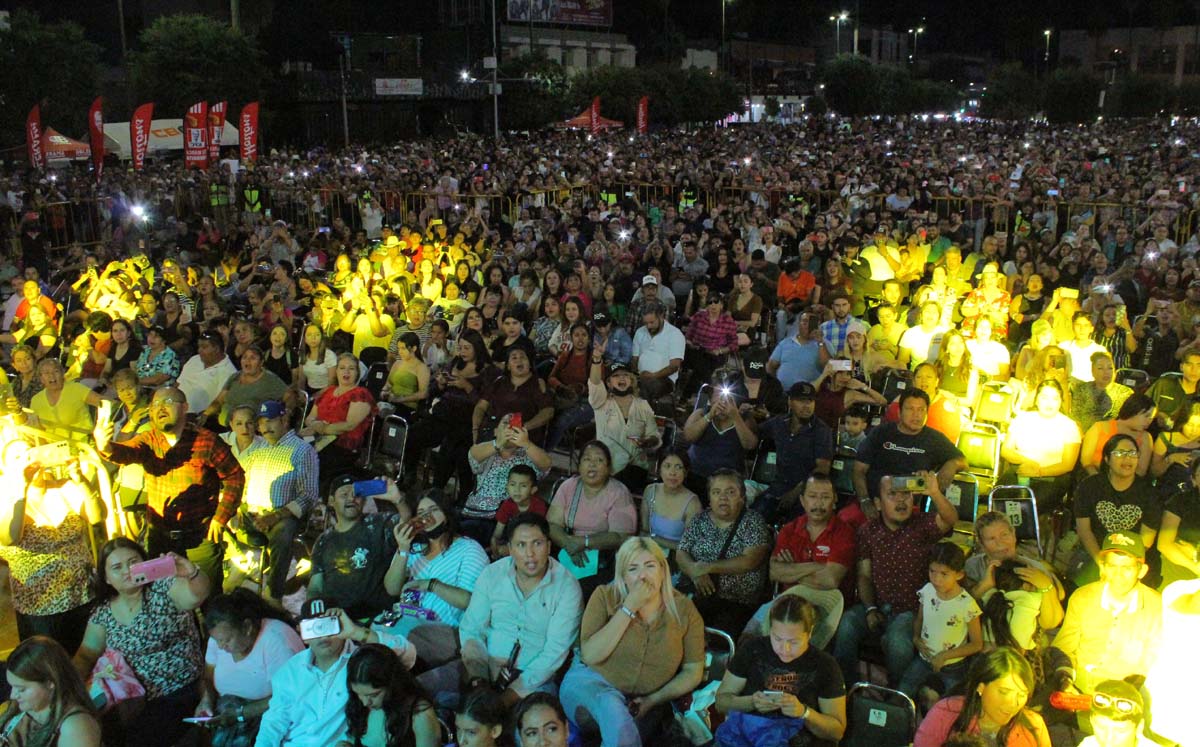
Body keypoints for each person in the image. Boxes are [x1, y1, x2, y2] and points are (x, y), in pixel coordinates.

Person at [560, 537, 705, 747]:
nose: (642, 576)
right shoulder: (605, 596)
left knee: (632, 728)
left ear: (663, 570)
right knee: (614, 709)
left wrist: (654, 699)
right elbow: (591, 655)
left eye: (650, 566)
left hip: (646, 699)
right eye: (633, 569)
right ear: (623, 576)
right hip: (591, 682)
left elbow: (693, 669)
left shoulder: (684, 610)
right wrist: (629, 607)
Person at [427, 513, 582, 709]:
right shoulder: (492, 574)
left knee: (530, 727)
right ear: (509, 549)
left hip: (533, 679)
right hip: (485, 665)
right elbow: (472, 628)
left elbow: (554, 653)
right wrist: (478, 680)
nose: (530, 554)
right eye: (521, 545)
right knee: (420, 689)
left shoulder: (567, 586)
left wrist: (507, 697)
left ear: (549, 546)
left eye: (537, 543)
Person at [96, 386, 245, 587]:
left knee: (206, 593)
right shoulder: (149, 439)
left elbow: (234, 476)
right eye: (155, 404)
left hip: (200, 535)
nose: (160, 408)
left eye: (167, 402)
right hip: (160, 536)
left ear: (185, 407)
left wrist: (221, 518)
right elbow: (126, 453)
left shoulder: (206, 440)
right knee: (161, 594)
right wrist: (105, 447)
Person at [73, 538, 211, 747]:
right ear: (107, 578)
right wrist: (69, 686)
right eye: (117, 567)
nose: (128, 570)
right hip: (129, 697)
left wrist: (191, 573)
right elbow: (87, 653)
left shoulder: (164, 588)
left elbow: (198, 595)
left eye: (133, 561)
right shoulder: (103, 612)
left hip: (178, 689)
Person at [832, 472, 958, 687]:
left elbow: (949, 519)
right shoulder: (868, 531)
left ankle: (898, 698)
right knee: (846, 625)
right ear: (878, 504)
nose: (901, 500)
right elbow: (864, 574)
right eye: (892, 494)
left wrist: (934, 492)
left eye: (906, 494)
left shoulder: (922, 525)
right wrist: (870, 608)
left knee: (898, 643)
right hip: (877, 604)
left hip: (911, 610)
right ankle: (842, 689)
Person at [714, 596, 847, 747]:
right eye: (777, 639)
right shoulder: (753, 650)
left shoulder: (825, 665)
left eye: (794, 642)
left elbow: (837, 731)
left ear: (809, 633)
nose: (785, 649)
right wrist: (751, 702)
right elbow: (721, 703)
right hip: (747, 735)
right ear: (770, 630)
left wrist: (805, 713)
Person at [0, 458, 103, 654]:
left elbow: (97, 516)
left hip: (83, 594)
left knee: (92, 659)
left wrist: (81, 480)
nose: (30, 461)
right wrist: (22, 487)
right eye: (21, 457)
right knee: (53, 667)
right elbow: (9, 537)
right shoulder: (5, 497)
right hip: (41, 606)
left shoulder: (64, 487)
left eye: (32, 453)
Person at [1050, 530, 1162, 698]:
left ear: (1142, 571)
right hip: (1080, 687)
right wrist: (1065, 681)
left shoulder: (1156, 606)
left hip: (1128, 691)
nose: (1118, 574)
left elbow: (1153, 660)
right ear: (1103, 567)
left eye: (1127, 568)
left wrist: (1125, 693)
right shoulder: (1082, 597)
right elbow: (1064, 646)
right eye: (1112, 566)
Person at [384, 490, 488, 665]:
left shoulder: (468, 549)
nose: (427, 517)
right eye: (422, 513)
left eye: (434, 510)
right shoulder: (414, 549)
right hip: (407, 622)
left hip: (445, 633)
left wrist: (431, 585)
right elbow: (392, 588)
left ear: (447, 515)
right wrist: (403, 548)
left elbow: (469, 601)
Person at [196, 589, 305, 746]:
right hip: (228, 711)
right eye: (217, 640)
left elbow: (288, 697)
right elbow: (207, 676)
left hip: (269, 717)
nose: (220, 646)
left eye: (226, 640)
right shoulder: (219, 637)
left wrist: (241, 714)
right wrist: (206, 700)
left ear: (247, 627)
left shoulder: (277, 641)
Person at [236, 400, 320, 601]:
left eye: (270, 421)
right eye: (262, 422)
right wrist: (239, 506)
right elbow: (242, 482)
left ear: (284, 420)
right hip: (252, 511)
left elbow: (309, 495)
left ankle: (274, 593)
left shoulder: (301, 450)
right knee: (217, 518)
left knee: (283, 533)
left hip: (282, 514)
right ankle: (243, 566)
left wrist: (274, 516)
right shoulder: (258, 447)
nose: (265, 427)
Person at [676, 469, 772, 636]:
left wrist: (707, 567)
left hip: (735, 601)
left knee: (714, 636)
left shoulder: (753, 522)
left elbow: (749, 561)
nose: (723, 497)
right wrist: (695, 573)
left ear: (742, 497)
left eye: (730, 492)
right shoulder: (700, 519)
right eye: (716, 492)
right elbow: (681, 552)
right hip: (694, 591)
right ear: (709, 497)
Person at [852, 389, 966, 517]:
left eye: (921, 410)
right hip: (874, 502)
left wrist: (952, 464)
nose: (916, 415)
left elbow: (962, 460)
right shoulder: (881, 433)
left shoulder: (934, 439)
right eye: (910, 409)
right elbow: (858, 470)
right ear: (899, 413)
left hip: (908, 508)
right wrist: (864, 501)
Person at [309, 476, 409, 621]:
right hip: (337, 620)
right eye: (344, 494)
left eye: (357, 495)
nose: (351, 499)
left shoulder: (378, 523)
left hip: (377, 617)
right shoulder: (323, 541)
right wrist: (316, 612)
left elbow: (406, 524)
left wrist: (398, 499)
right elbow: (315, 587)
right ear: (331, 501)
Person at [913, 648, 1050, 747]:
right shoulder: (945, 713)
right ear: (981, 687)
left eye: (1021, 694)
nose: (1013, 703)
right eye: (1004, 692)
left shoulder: (1034, 726)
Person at [898, 542, 983, 698]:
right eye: (932, 571)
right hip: (925, 658)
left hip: (953, 666)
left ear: (959, 574)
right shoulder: (928, 590)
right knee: (903, 692)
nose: (936, 579)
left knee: (952, 704)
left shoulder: (967, 604)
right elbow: (920, 618)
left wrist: (945, 656)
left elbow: (977, 644)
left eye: (944, 574)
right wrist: (916, 639)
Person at [1071, 436, 1160, 586]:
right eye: (1120, 453)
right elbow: (1084, 530)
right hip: (1096, 550)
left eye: (1132, 453)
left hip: (1133, 555)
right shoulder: (1089, 486)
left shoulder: (1149, 493)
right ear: (1106, 459)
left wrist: (1121, 565)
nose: (1127, 458)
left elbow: (1146, 539)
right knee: (1080, 585)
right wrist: (1101, 562)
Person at [461, 416, 552, 544]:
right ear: (496, 431)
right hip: (474, 514)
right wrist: (498, 443)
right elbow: (473, 454)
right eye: (505, 424)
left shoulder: (528, 455)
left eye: (515, 425)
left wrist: (526, 444)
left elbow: (546, 464)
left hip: (507, 519)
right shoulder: (486, 450)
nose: (510, 428)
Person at [756, 382, 835, 524]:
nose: (807, 405)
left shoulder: (822, 430)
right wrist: (746, 414)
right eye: (801, 401)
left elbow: (822, 469)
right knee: (752, 521)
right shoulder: (779, 422)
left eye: (810, 401)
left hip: (807, 494)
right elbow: (754, 434)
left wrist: (796, 492)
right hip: (777, 488)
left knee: (795, 531)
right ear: (790, 402)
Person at [0, 636, 101, 747]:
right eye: (12, 686)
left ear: (50, 683)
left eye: (21, 689)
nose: (12, 695)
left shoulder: (76, 728)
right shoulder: (25, 706)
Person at [999, 379, 1081, 511]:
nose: (1049, 403)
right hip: (1021, 470)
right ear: (1036, 400)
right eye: (1044, 397)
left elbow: (1068, 464)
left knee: (1029, 505)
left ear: (1060, 402)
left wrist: (1038, 471)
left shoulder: (1069, 426)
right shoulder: (1022, 418)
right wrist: (1028, 462)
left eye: (1055, 398)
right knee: (1000, 498)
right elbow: (1006, 450)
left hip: (1052, 477)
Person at [338, 643, 441, 747]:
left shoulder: (419, 714)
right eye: (358, 694)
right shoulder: (359, 706)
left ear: (392, 685)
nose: (365, 702)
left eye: (373, 695)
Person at [586, 352, 660, 493]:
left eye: (625, 375)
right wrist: (596, 360)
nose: (621, 378)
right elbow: (595, 382)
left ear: (631, 380)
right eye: (615, 375)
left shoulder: (643, 405)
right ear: (608, 382)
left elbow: (654, 434)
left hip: (635, 468)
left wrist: (649, 441)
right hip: (606, 467)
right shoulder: (601, 402)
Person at [302, 353, 376, 476]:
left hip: (343, 446)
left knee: (307, 459)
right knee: (292, 448)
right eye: (342, 368)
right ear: (336, 371)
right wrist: (316, 425)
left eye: (351, 368)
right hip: (318, 437)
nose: (346, 372)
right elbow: (309, 418)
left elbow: (349, 425)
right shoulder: (328, 391)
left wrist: (323, 429)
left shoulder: (360, 394)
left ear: (357, 373)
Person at [204, 347, 290, 428]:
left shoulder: (270, 379)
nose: (247, 361)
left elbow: (290, 395)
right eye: (244, 357)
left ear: (261, 362)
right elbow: (219, 401)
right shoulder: (235, 376)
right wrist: (205, 415)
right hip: (222, 426)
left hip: (247, 429)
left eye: (252, 358)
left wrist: (287, 413)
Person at [27, 358, 105, 443]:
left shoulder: (76, 389)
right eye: (46, 373)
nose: (51, 376)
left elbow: (105, 403)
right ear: (41, 378)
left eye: (56, 371)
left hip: (81, 445)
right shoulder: (36, 400)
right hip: (52, 449)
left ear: (62, 374)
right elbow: (37, 430)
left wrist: (101, 426)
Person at [1079, 395, 1156, 477]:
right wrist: (1099, 480)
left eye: (1152, 418)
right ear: (1133, 411)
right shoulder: (1099, 427)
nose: (1149, 421)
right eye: (1146, 416)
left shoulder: (1145, 437)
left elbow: (1141, 471)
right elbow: (1086, 461)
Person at [640, 450, 701, 552]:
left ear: (685, 472)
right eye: (667, 466)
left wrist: (654, 539)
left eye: (678, 467)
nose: (672, 473)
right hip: (649, 550)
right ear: (659, 469)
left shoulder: (693, 503)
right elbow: (644, 531)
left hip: (676, 556)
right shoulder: (650, 491)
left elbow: (688, 545)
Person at [1156, 456, 1200, 587]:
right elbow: (1164, 544)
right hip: (1183, 570)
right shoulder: (1179, 502)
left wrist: (1195, 552)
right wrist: (1196, 567)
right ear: (1193, 479)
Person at [177, 331, 239, 415]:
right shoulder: (194, 359)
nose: (199, 350)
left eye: (204, 347)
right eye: (199, 347)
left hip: (195, 417)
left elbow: (219, 402)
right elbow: (178, 384)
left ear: (216, 349)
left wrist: (204, 415)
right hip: (174, 408)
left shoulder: (229, 372)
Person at [1077, 680, 1154, 747]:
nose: (1108, 740)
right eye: (1101, 727)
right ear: (1091, 721)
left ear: (1139, 728)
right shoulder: (1088, 744)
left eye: (1120, 731)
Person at [767, 311, 827, 391]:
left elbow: (828, 367)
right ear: (799, 323)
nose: (808, 326)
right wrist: (775, 385)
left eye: (813, 323)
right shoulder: (785, 343)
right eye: (805, 322)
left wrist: (820, 343)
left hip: (809, 394)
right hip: (783, 393)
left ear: (818, 325)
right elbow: (771, 365)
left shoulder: (824, 344)